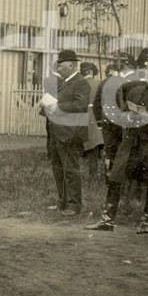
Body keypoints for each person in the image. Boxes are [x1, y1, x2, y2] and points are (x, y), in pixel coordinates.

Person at [86, 49, 148, 232]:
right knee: (116, 177)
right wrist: (127, 117)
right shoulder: (135, 90)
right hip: (129, 142)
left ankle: (146, 220)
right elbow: (123, 112)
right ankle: (107, 219)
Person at [40, 50, 91, 216]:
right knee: (58, 168)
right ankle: (63, 201)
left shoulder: (81, 83)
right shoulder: (64, 81)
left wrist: (58, 106)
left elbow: (81, 105)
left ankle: (74, 205)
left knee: (70, 169)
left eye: (61, 65)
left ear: (72, 65)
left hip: (70, 132)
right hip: (58, 131)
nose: (59, 68)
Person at [79, 61, 104, 182]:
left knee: (91, 149)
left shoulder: (79, 84)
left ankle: (93, 175)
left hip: (86, 116)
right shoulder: (99, 83)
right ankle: (106, 174)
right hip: (100, 115)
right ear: (92, 71)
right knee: (104, 147)